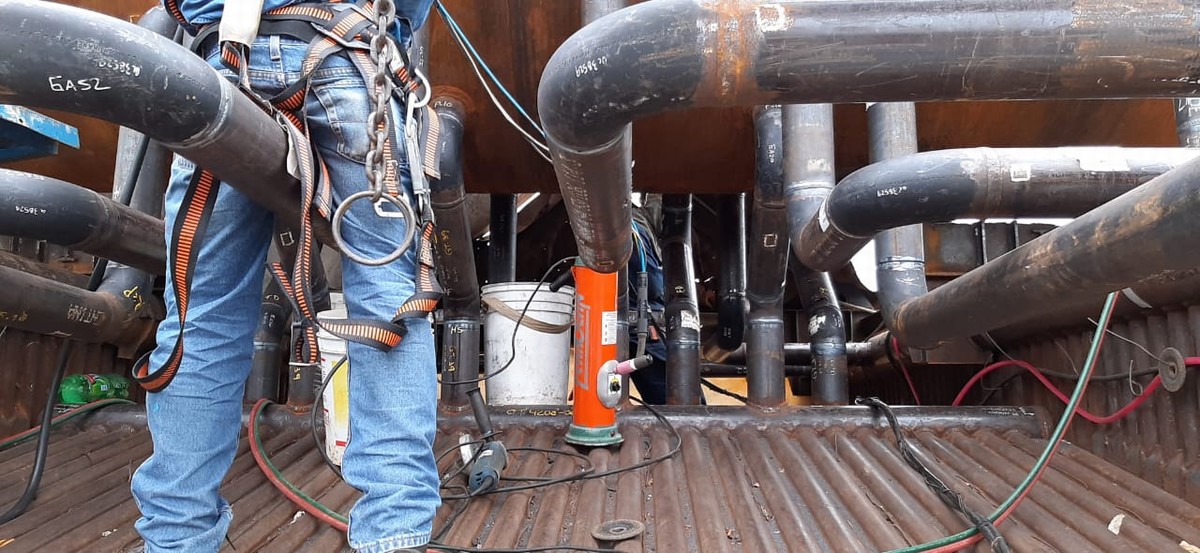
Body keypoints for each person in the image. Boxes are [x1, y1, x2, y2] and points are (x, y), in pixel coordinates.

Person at [129, 1, 441, 552]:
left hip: (222, 69)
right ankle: (394, 534)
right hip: (349, 57)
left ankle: (177, 538)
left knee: (204, 317)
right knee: (390, 303)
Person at [627, 194, 668, 404]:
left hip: (637, 331)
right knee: (681, 403)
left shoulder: (640, 228)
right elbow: (652, 285)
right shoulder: (635, 230)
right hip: (644, 332)